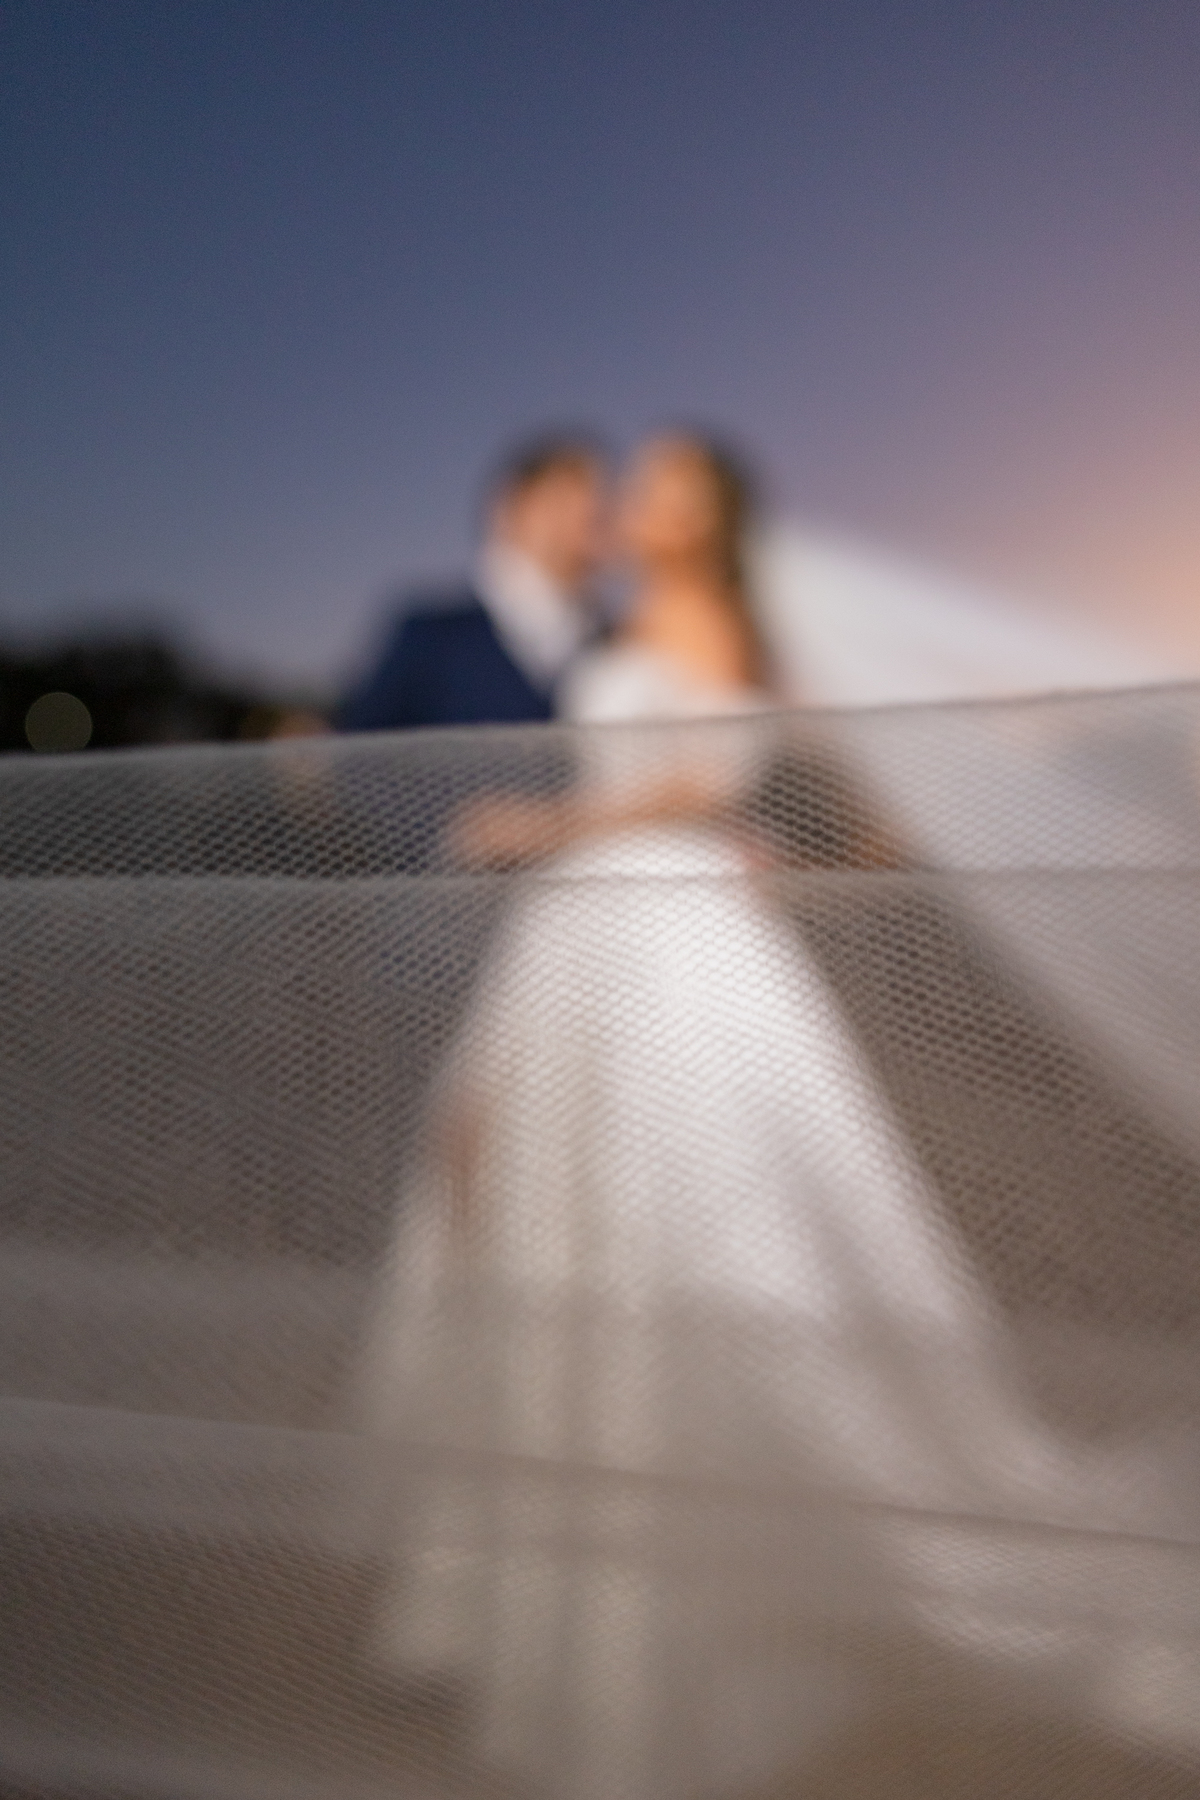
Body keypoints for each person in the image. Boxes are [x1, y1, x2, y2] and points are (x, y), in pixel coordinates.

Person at [359, 435, 1161, 1798]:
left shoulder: (706, 616)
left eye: (662, 487)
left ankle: (675, 1580)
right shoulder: (620, 625)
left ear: (707, 518)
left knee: (681, 1219)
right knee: (546, 1208)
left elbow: (701, 781)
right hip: (573, 940)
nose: (633, 502)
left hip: (655, 928)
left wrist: (550, 828)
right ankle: (533, 1574)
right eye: (631, 486)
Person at [337, 432, 609, 732]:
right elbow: (362, 747)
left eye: (598, 499)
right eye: (562, 499)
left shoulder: (610, 639)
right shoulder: (429, 635)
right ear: (508, 506)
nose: (586, 512)